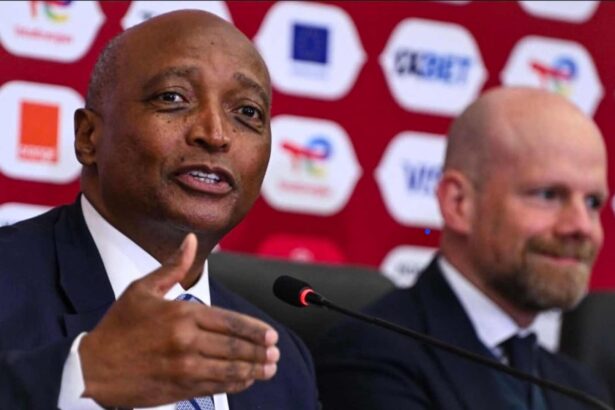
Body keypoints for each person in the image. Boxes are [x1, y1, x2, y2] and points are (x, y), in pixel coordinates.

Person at [0, 10, 318, 410]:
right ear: (88, 136)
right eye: (172, 98)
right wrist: (82, 378)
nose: (215, 134)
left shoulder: (282, 365)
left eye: (247, 112)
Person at [315, 87, 611, 409]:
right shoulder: (369, 357)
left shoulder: (581, 388)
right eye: (547, 195)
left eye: (593, 202)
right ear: (459, 203)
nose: (582, 226)